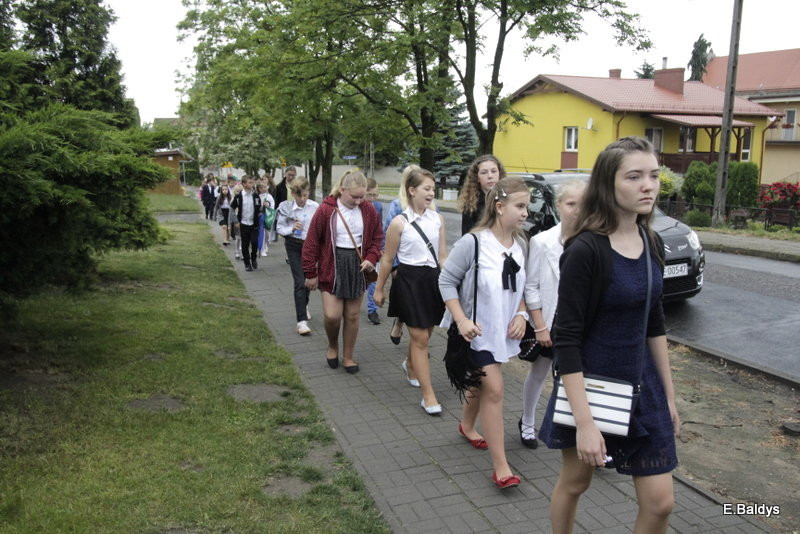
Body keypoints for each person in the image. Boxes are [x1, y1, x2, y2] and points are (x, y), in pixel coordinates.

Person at [539, 137, 679, 534]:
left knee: (661, 504)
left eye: (653, 175)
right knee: (576, 481)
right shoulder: (586, 250)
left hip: (643, 386)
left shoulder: (651, 241)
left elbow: (655, 324)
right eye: (634, 176)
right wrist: (584, 423)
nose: (648, 185)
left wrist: (668, 396)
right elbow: (566, 338)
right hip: (592, 387)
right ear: (608, 184)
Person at [439, 177, 529, 489]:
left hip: (502, 334)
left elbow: (525, 289)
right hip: (475, 334)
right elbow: (446, 281)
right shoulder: (474, 243)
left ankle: (466, 425)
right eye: (520, 206)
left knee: (481, 385)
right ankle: (501, 466)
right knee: (495, 389)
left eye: (527, 207)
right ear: (499, 207)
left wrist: (522, 313)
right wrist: (461, 320)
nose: (525, 213)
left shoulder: (521, 245)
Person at [519, 179, 587, 448]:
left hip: (580, 323)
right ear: (559, 205)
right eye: (571, 204)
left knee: (580, 377)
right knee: (539, 372)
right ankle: (527, 421)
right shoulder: (541, 241)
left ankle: (584, 429)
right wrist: (539, 326)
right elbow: (532, 286)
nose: (577, 210)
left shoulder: (595, 240)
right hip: (551, 320)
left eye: (583, 205)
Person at [374, 167, 447, 415]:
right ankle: (428, 396)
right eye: (427, 188)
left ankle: (409, 363)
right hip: (409, 281)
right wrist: (379, 289)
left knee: (425, 332)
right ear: (412, 190)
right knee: (421, 338)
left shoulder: (437, 219)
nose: (431, 193)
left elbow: (443, 257)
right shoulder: (399, 223)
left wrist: (451, 285)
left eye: (433, 189)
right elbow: (387, 259)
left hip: (432, 281)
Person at [302, 170, 383, 373]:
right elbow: (311, 242)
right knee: (332, 316)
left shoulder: (368, 210)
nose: (359, 201)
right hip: (332, 265)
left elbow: (377, 238)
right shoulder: (326, 210)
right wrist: (310, 272)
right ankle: (332, 345)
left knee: (353, 315)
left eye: (362, 196)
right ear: (342, 189)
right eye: (354, 196)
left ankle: (348, 356)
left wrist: (371, 258)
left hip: (357, 266)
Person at [277, 177, 319, 336]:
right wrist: (291, 228)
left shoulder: (315, 207)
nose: (302, 199)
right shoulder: (287, 208)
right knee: (299, 281)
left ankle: (304, 304)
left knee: (308, 280)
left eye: (306, 195)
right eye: (299, 196)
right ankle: (301, 322)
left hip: (310, 247)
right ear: (293, 194)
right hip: (293, 245)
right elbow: (280, 228)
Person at [458, 155, 505, 235]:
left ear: (499, 174)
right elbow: (467, 237)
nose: (490, 176)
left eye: (494, 171)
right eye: (484, 172)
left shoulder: (509, 199)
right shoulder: (471, 205)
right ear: (477, 178)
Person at [231, 176, 262, 271]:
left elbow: (259, 209)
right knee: (244, 244)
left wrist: (263, 208)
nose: (252, 185)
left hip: (254, 224)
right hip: (243, 224)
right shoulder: (239, 197)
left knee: (254, 242)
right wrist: (236, 221)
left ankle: (253, 258)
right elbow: (231, 208)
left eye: (252, 183)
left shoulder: (256, 196)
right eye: (250, 183)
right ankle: (247, 264)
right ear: (243, 184)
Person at [365, 178, 383, 325]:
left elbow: (380, 229)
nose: (372, 199)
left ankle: (372, 310)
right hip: (359, 249)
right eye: (369, 195)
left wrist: (381, 248)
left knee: (373, 280)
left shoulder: (378, 207)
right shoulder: (357, 206)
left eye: (375, 195)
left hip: (373, 248)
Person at [257, 182, 275, 258]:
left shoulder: (269, 196)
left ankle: (266, 244)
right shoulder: (257, 196)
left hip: (267, 216)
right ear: (259, 189)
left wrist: (268, 205)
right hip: (260, 216)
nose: (265, 188)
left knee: (267, 233)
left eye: (265, 187)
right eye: (263, 187)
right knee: (262, 232)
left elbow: (272, 205)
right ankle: (262, 249)